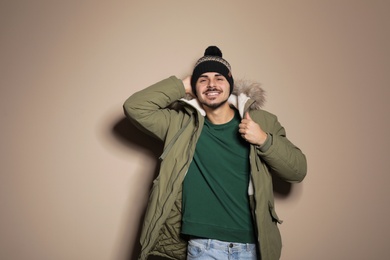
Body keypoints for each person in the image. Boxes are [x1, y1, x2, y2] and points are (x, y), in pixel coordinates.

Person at [123, 46, 307, 260]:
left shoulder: (262, 121)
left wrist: (264, 140)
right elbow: (135, 107)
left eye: (219, 78)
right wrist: (182, 84)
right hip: (203, 248)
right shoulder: (180, 124)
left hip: (252, 248)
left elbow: (298, 171)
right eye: (203, 79)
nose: (211, 84)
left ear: (230, 83)